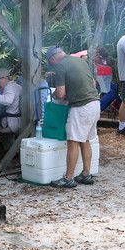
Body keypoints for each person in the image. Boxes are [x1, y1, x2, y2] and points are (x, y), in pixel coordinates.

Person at [46, 47, 100, 188]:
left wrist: (54, 95)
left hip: (81, 106)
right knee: (85, 140)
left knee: (73, 141)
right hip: (95, 103)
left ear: (52, 59)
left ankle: (68, 178)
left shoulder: (60, 66)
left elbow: (61, 93)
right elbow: (93, 83)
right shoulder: (80, 61)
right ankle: (86, 174)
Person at [0, 68, 22, 133]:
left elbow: (8, 100)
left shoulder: (9, 87)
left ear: (4, 78)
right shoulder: (17, 86)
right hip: (17, 122)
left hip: (10, 124)